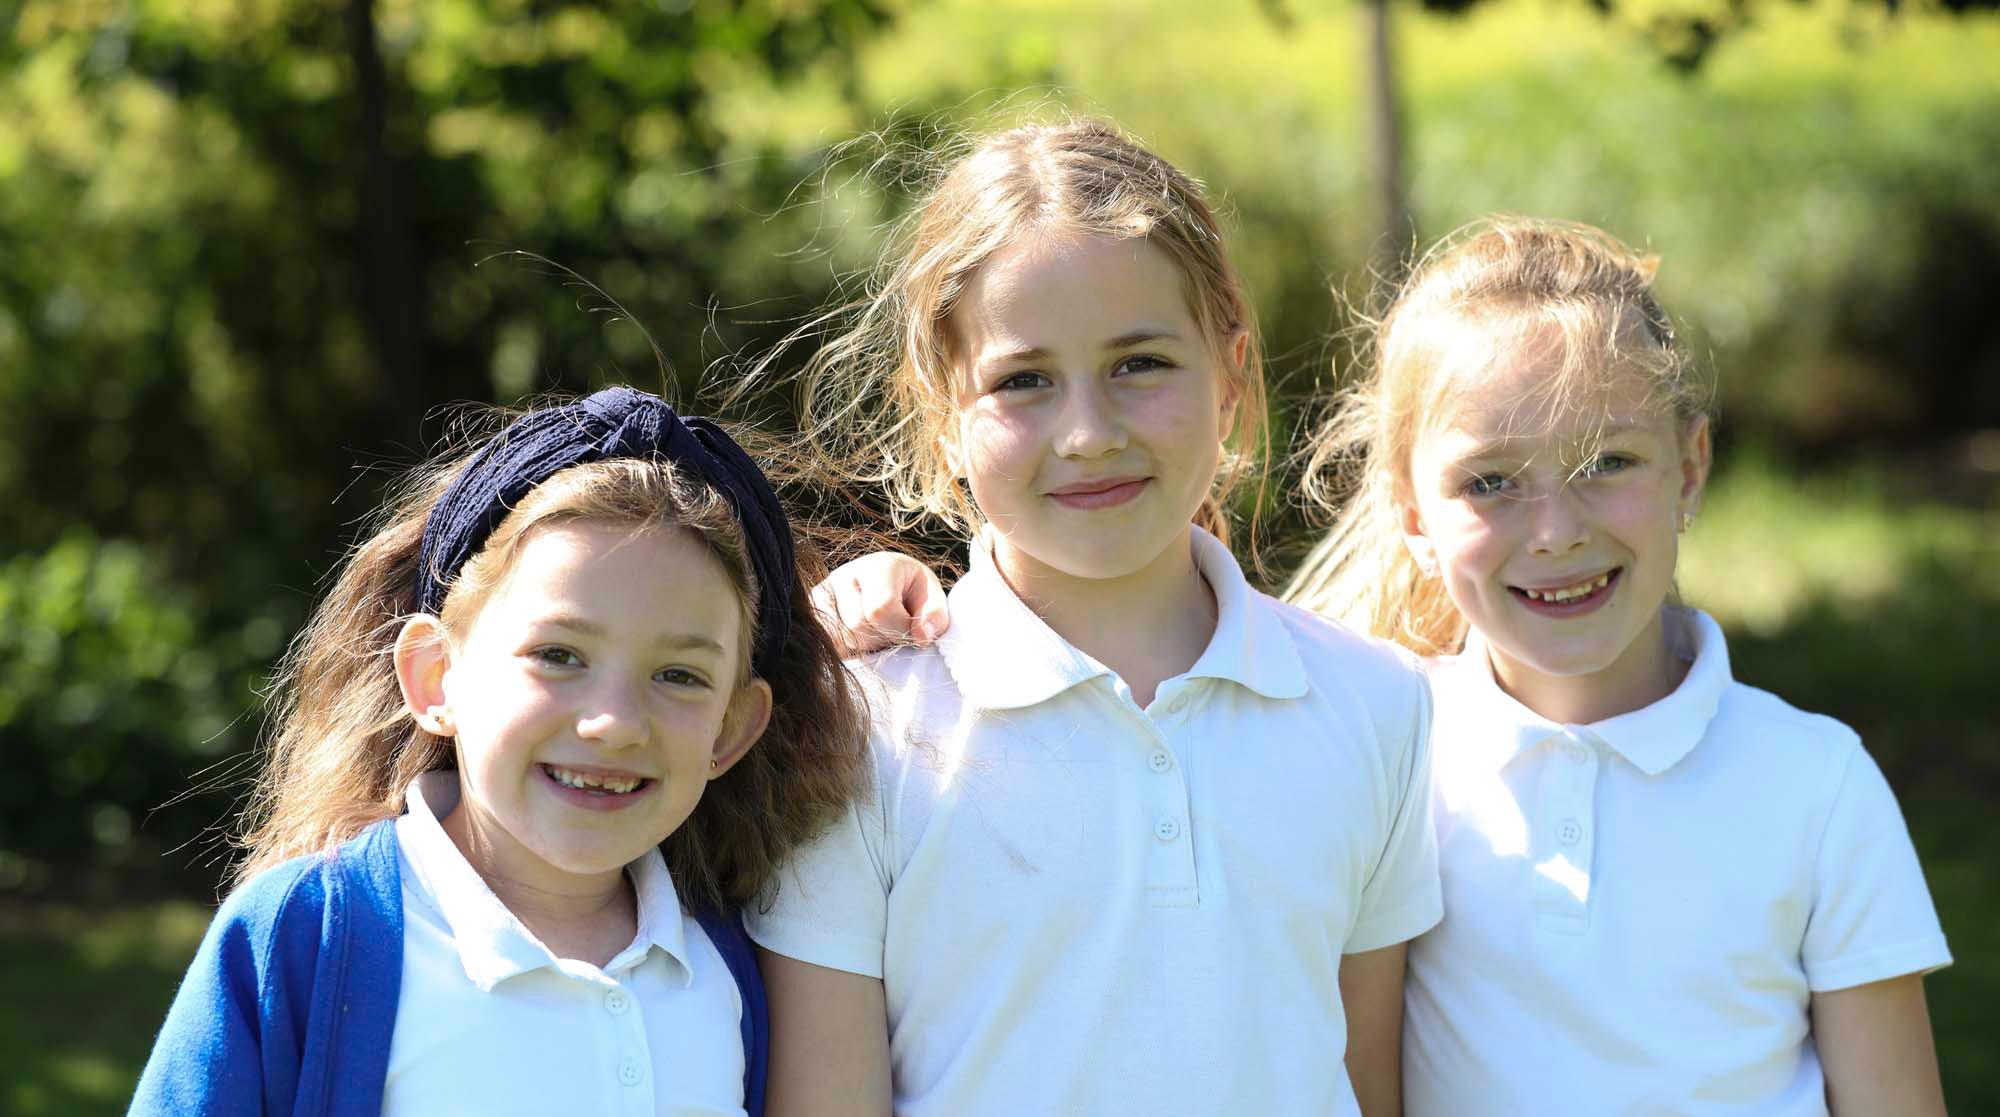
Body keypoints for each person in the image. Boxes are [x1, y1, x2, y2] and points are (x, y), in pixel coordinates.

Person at [828, 218, 1954, 1116]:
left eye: (1607, 461)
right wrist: (871, 590)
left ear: (1690, 467)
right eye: (1491, 483)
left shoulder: (1815, 784)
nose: (1555, 531)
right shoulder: (1383, 731)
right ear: (1411, 513)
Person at [748, 119, 1441, 1117]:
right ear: (941, 416)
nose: (1087, 433)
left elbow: (1367, 1084)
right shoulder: (860, 725)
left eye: (1139, 364)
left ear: (1230, 376)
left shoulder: (1375, 704)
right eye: (1022, 381)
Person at [129, 386, 869, 1117]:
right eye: (559, 655)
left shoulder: (734, 971)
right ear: (436, 677)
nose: (615, 723)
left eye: (679, 675)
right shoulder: (306, 937)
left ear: (732, 728)